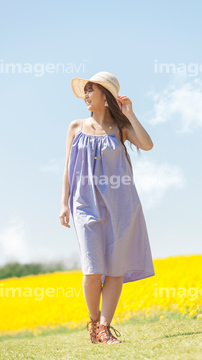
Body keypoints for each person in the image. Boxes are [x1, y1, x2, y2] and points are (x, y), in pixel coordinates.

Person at [59, 71, 155, 344]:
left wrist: (130, 113)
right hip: (84, 204)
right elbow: (67, 168)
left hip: (122, 205)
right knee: (92, 270)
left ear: (106, 95)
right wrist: (63, 203)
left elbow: (147, 145)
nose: (86, 95)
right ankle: (94, 321)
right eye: (85, 90)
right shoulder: (76, 126)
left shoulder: (120, 128)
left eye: (91, 90)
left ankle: (104, 328)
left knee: (114, 270)